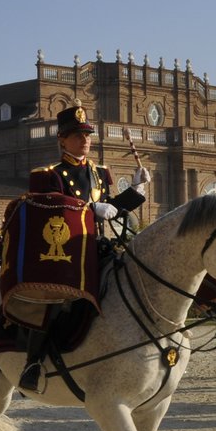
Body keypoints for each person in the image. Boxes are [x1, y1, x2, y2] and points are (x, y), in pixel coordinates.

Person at [17, 104, 148, 391]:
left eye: (87, 135)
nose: (84, 140)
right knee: (53, 300)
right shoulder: (49, 174)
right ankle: (33, 361)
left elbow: (110, 210)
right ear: (62, 139)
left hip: (98, 245)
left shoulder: (100, 173)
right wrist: (90, 209)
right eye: (77, 135)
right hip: (64, 251)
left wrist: (134, 193)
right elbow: (48, 211)